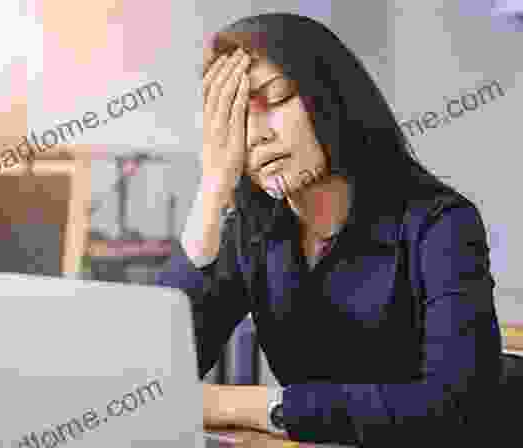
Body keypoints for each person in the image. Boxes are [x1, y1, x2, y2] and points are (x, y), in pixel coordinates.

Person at [154, 13, 503, 446]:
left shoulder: (440, 225)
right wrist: (210, 192)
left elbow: (455, 405)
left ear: (332, 98)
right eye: (239, 117)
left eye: (276, 100)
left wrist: (248, 405)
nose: (257, 134)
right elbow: (151, 375)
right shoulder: (255, 231)